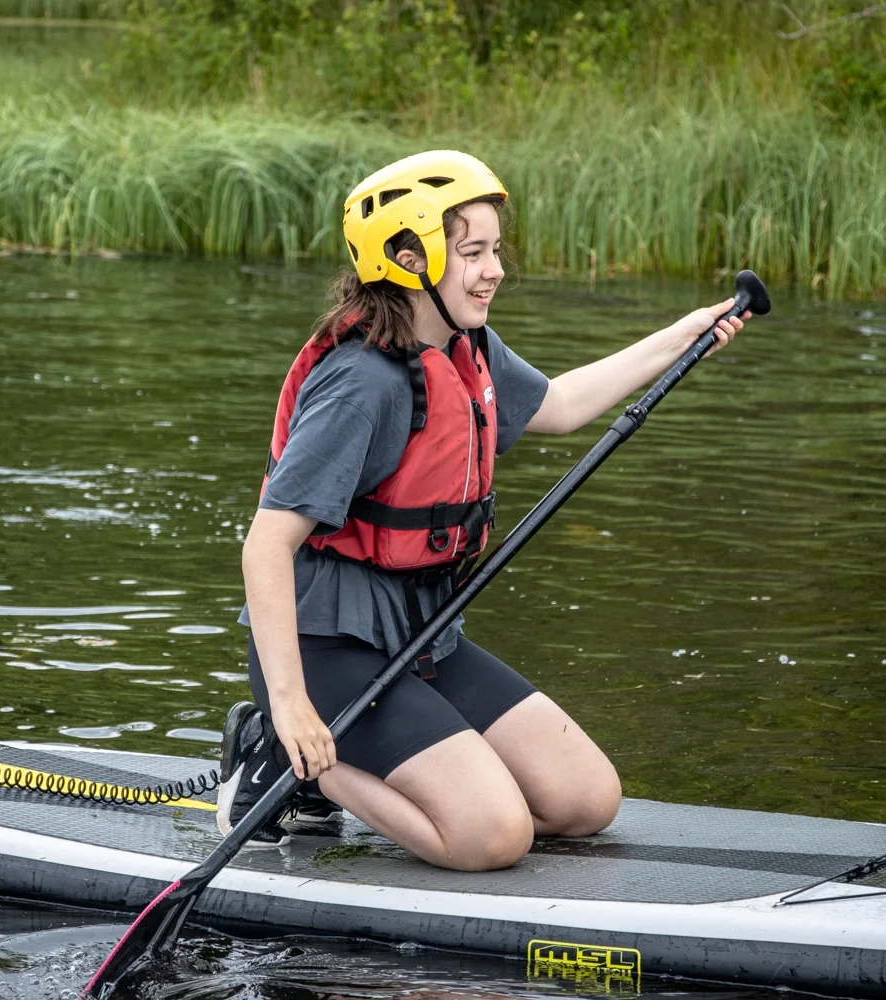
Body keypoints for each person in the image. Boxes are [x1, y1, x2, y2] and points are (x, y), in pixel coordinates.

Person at [217, 150, 748, 872]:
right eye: (471, 252)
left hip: (421, 633)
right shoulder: (360, 385)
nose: (494, 269)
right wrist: (290, 704)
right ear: (407, 260)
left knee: (586, 802)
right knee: (493, 837)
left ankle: (335, 758)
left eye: (495, 249)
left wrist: (682, 337)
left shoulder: (467, 347)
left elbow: (558, 406)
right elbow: (266, 546)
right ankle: (283, 756)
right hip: (325, 650)